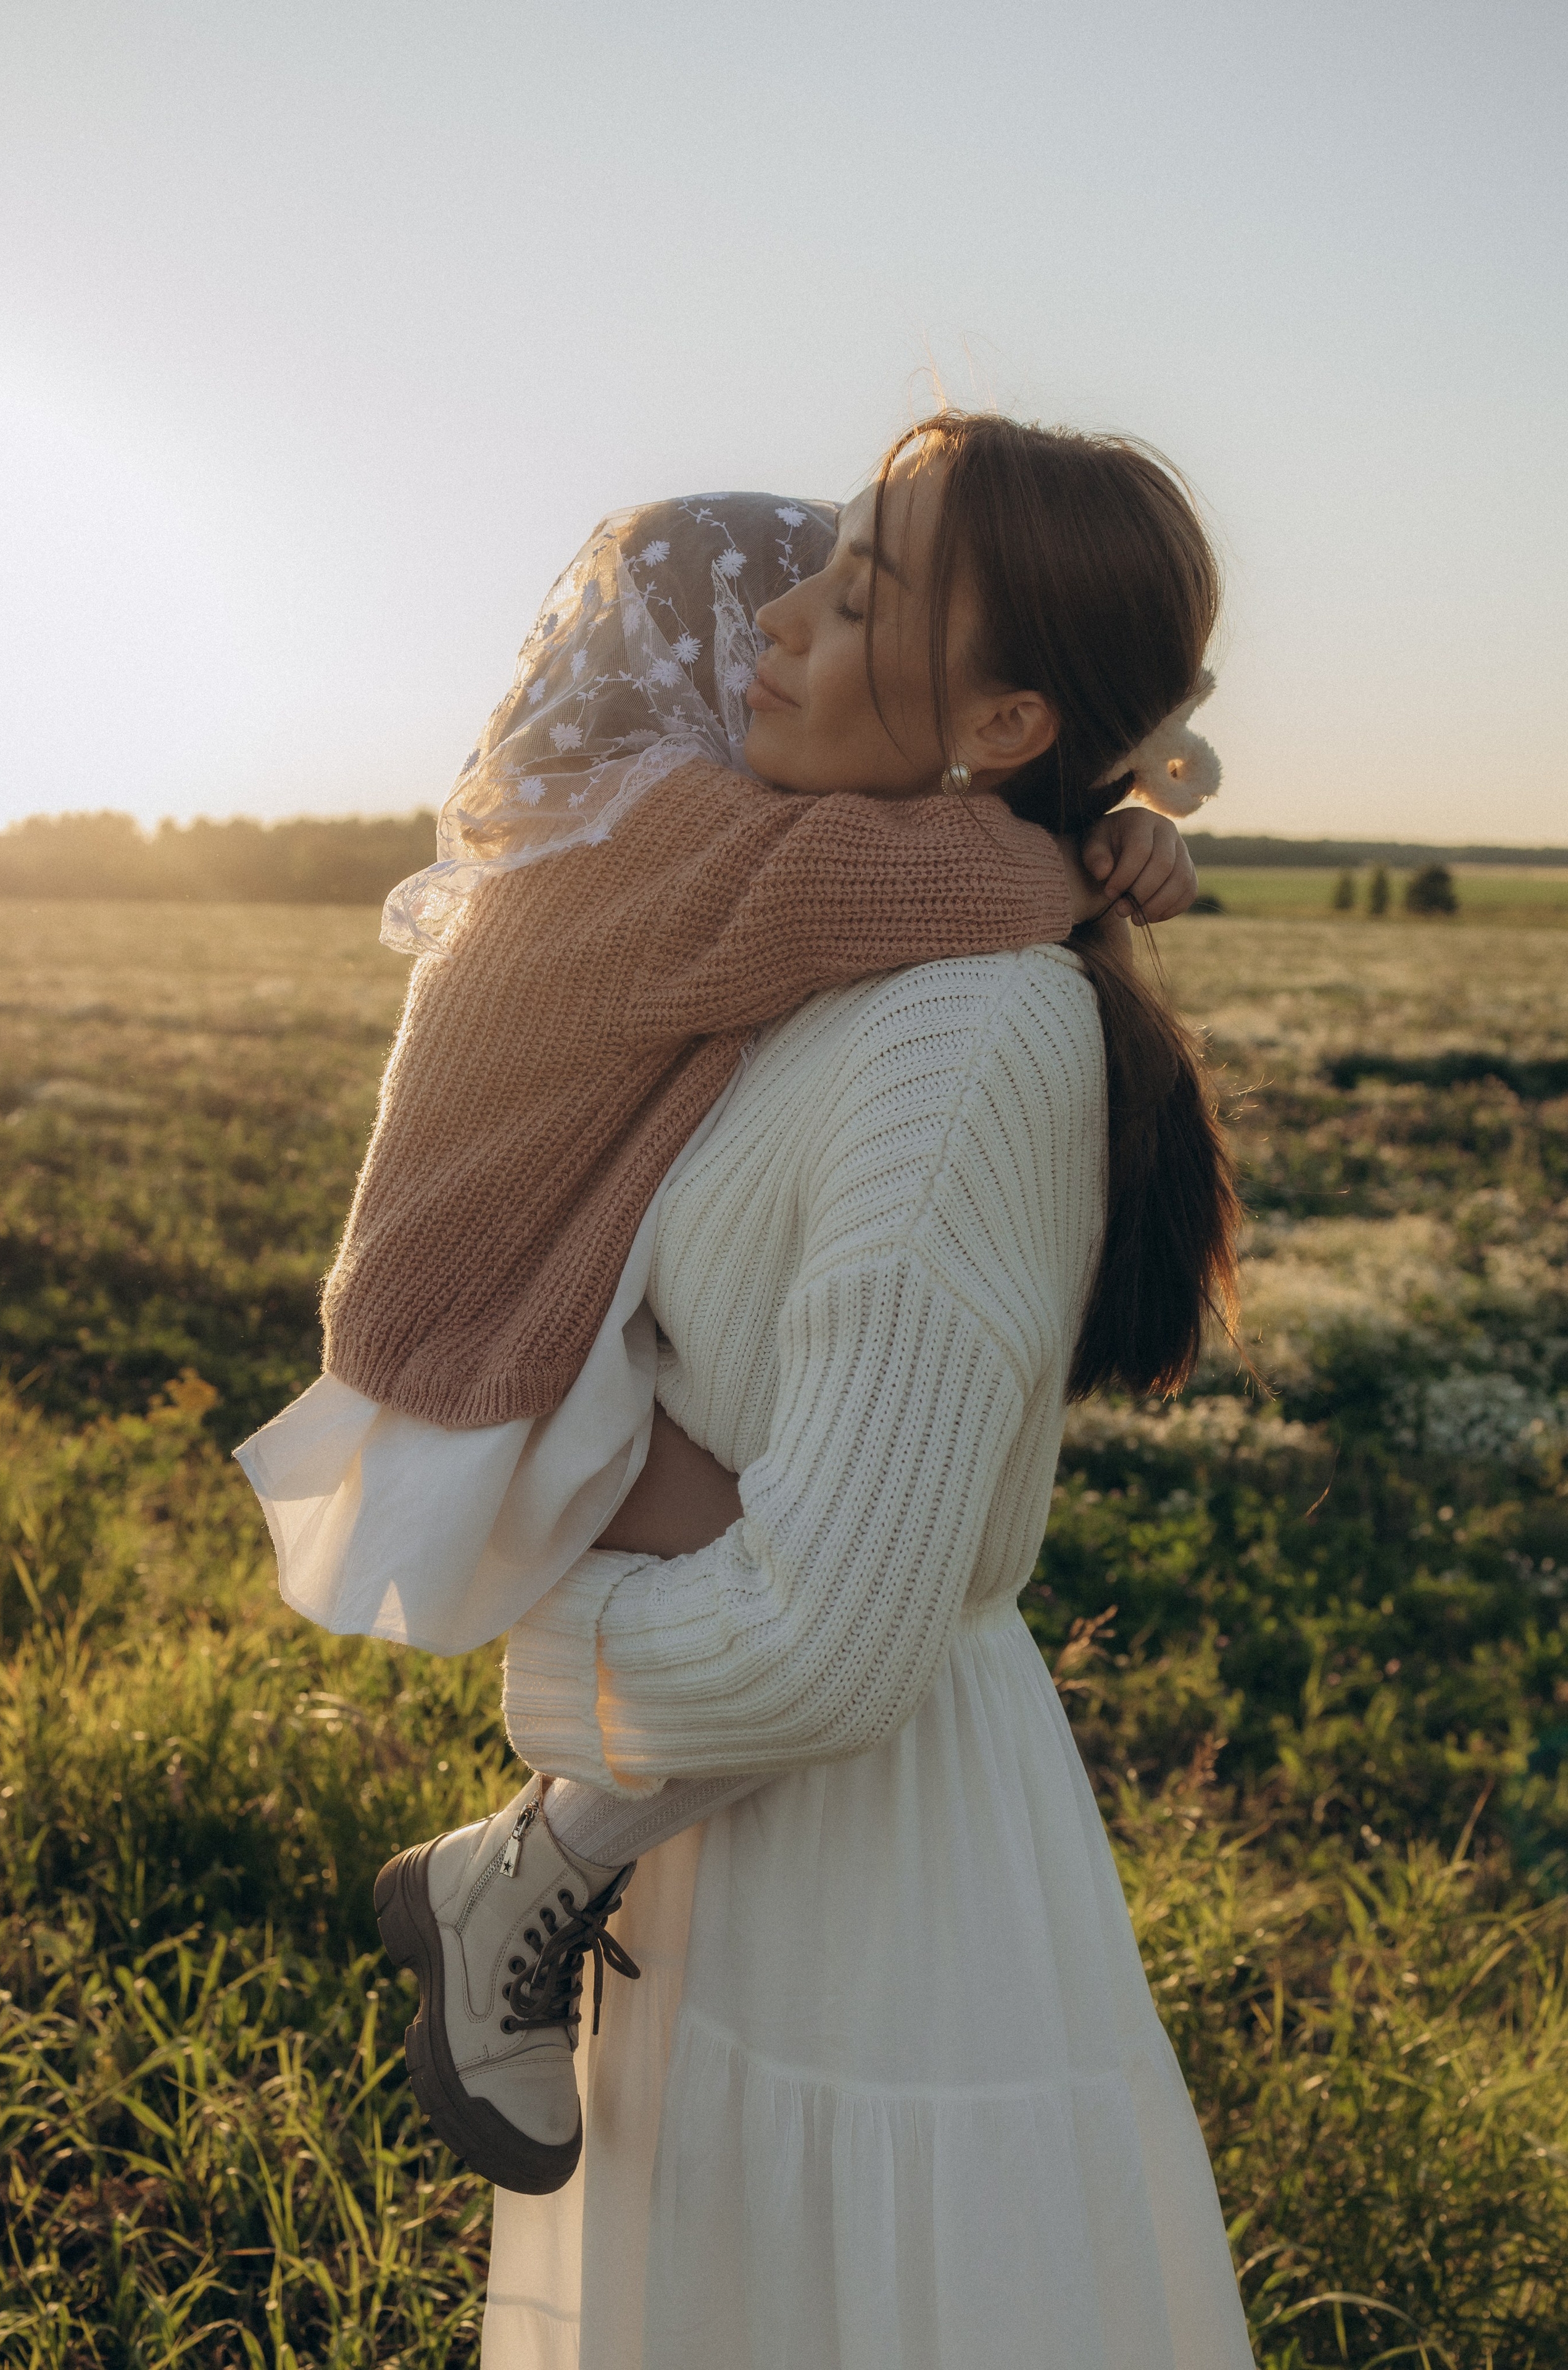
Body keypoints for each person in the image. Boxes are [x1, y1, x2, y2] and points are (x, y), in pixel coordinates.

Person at [238, 414, 1252, 2368]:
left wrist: (544, 1641)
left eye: (859, 589)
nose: (782, 623)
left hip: (875, 1872)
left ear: (1013, 714)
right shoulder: (848, 920)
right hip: (728, 1851)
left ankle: (520, 1865)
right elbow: (983, 825)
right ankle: (527, 1867)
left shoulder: (966, 1024)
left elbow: (826, 1641)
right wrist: (1099, 830)